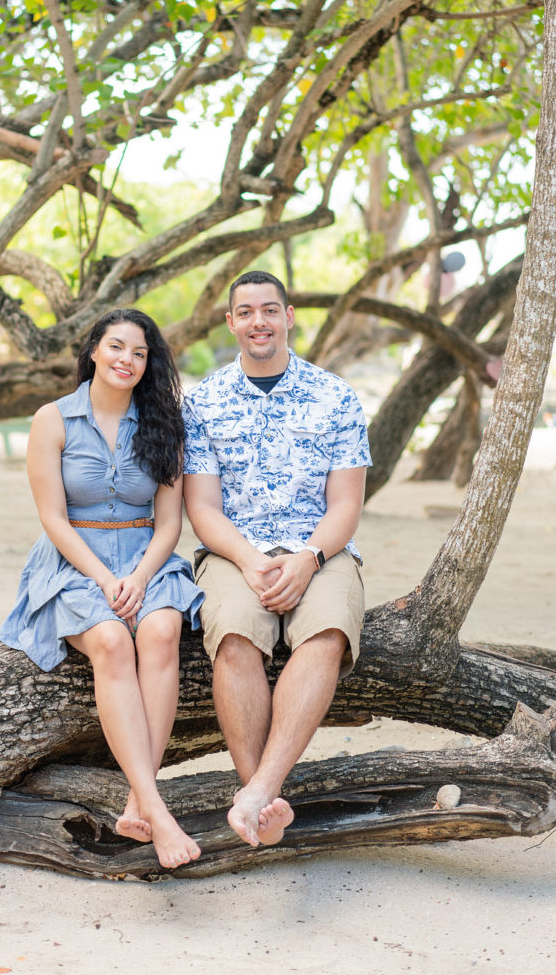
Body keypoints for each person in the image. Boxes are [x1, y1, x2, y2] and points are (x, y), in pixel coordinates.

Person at [0, 308, 204, 869]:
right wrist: (106, 579)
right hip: (75, 559)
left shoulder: (163, 421)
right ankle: (158, 812)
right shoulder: (53, 419)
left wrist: (137, 577)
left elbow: (169, 524)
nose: (127, 360)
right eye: (117, 347)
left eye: (140, 353)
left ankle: (140, 799)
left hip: (146, 556)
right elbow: (54, 520)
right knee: (112, 642)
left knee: (160, 631)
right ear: (94, 350)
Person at [182, 271, 370, 849]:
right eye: (245, 312)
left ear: (288, 317)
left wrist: (310, 558)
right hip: (233, 552)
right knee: (235, 636)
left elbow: (346, 505)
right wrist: (245, 558)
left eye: (269, 310)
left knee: (327, 633)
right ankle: (259, 796)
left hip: (320, 548)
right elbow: (202, 507)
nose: (257, 321)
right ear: (232, 322)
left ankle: (260, 792)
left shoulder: (336, 396)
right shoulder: (204, 401)